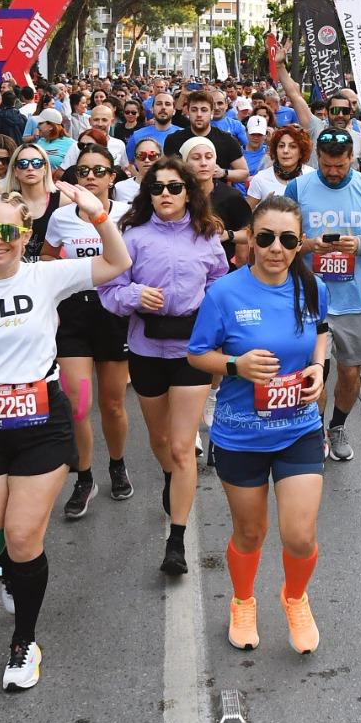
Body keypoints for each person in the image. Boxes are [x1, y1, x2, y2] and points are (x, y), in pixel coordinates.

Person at [0, 181, 130, 691]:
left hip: (42, 422)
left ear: (24, 232)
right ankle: (18, 575)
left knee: (20, 537)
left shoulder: (46, 276)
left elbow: (116, 264)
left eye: (7, 231)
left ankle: (24, 644)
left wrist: (98, 216)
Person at [188, 196, 330, 655]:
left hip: (299, 428)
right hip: (241, 434)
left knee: (299, 534)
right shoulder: (224, 293)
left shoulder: (311, 288)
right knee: (250, 533)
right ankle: (243, 601)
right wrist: (235, 365)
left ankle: (295, 598)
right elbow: (196, 354)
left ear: (298, 244)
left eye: (287, 240)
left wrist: (318, 368)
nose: (275, 248)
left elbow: (321, 331)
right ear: (249, 236)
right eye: (265, 237)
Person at [100, 158, 230, 575]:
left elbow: (219, 285)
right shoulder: (132, 237)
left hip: (192, 352)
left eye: (174, 187)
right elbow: (110, 291)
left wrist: (213, 319)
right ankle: (170, 478)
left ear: (189, 192)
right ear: (147, 194)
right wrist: (136, 294)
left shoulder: (206, 236)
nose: (166, 195)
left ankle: (176, 542)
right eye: (157, 188)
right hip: (145, 348)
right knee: (160, 441)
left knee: (181, 445)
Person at [284, 129, 361, 462]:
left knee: (350, 371)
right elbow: (280, 238)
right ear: (317, 157)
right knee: (313, 371)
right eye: (327, 165)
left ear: (353, 160)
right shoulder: (298, 187)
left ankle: (338, 425)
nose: (332, 172)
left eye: (340, 166)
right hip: (309, 298)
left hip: (354, 297)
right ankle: (314, 430)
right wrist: (308, 245)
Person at [43, 145, 135, 513]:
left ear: (112, 177)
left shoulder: (128, 215)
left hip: (113, 314)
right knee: (78, 407)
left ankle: (117, 465)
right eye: (84, 172)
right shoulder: (61, 217)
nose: (91, 178)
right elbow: (47, 258)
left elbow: (135, 262)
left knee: (112, 404)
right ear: (75, 178)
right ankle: (84, 476)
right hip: (74, 317)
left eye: (99, 171)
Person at [184, 136, 252, 264]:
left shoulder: (231, 196)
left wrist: (229, 235)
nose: (203, 163)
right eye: (196, 158)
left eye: (209, 157)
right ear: (185, 162)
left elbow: (250, 233)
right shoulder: (178, 195)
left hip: (222, 270)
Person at [168, 90, 249, 187]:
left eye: (204, 110)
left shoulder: (227, 140)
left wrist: (223, 173)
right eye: (194, 110)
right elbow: (166, 171)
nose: (199, 114)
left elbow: (244, 173)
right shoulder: (173, 139)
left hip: (216, 197)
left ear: (212, 113)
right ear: (188, 112)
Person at [5, 142, 65, 262]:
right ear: (15, 170)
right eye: (23, 164)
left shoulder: (63, 201)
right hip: (15, 269)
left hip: (52, 269)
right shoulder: (5, 203)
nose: (30, 168)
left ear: (45, 168)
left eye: (37, 163)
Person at [247, 125, 308, 207]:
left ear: (301, 152)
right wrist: (263, 208)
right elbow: (245, 215)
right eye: (281, 146)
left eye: (293, 146)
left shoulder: (311, 176)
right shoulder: (260, 179)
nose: (285, 151)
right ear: (275, 150)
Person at [116, 137, 162, 204]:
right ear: (135, 160)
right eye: (141, 155)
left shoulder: (168, 188)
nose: (147, 160)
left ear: (160, 159)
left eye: (152, 155)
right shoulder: (119, 188)